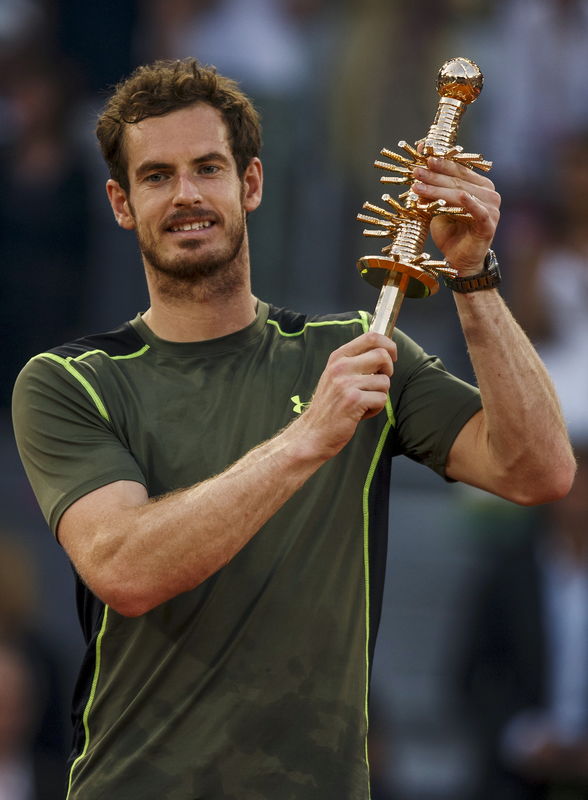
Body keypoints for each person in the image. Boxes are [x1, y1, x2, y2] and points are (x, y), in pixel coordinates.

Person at [11, 58, 575, 800]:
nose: (186, 194)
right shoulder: (70, 380)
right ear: (121, 203)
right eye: (157, 176)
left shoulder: (358, 352)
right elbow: (125, 568)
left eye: (208, 168)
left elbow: (539, 470)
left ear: (251, 184)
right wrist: (307, 438)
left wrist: (473, 275)